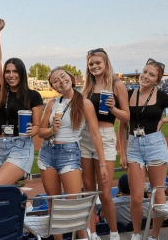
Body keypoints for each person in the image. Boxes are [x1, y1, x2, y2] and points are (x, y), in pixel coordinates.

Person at [118, 58, 168, 240]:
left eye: (151, 74)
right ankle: (136, 234)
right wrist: (122, 152)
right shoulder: (128, 95)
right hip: (133, 146)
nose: (146, 76)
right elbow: (122, 126)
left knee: (158, 193)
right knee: (136, 197)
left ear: (157, 80)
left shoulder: (161, 96)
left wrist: (165, 120)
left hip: (155, 145)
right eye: (145, 72)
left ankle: (154, 235)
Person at [38, 67, 108, 240]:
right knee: (52, 202)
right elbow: (40, 132)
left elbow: (94, 133)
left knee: (74, 204)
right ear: (54, 87)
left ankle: (83, 238)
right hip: (47, 152)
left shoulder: (85, 103)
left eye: (63, 76)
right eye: (55, 80)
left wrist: (102, 163)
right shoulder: (52, 104)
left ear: (70, 77)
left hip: (69, 153)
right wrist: (52, 129)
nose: (61, 80)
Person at [0, 19, 44, 186]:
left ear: (22, 73)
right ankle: (19, 210)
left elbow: (37, 127)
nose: (11, 75)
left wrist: (33, 130)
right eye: (8, 72)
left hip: (20, 145)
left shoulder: (33, 96)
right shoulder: (0, 91)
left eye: (15, 71)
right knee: (5, 193)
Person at [80, 48, 130, 240]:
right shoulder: (87, 86)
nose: (94, 67)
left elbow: (126, 117)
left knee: (105, 193)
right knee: (88, 191)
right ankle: (92, 233)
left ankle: (114, 232)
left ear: (106, 63)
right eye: (91, 64)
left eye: (97, 63)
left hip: (106, 136)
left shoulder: (117, 85)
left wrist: (113, 108)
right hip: (85, 137)